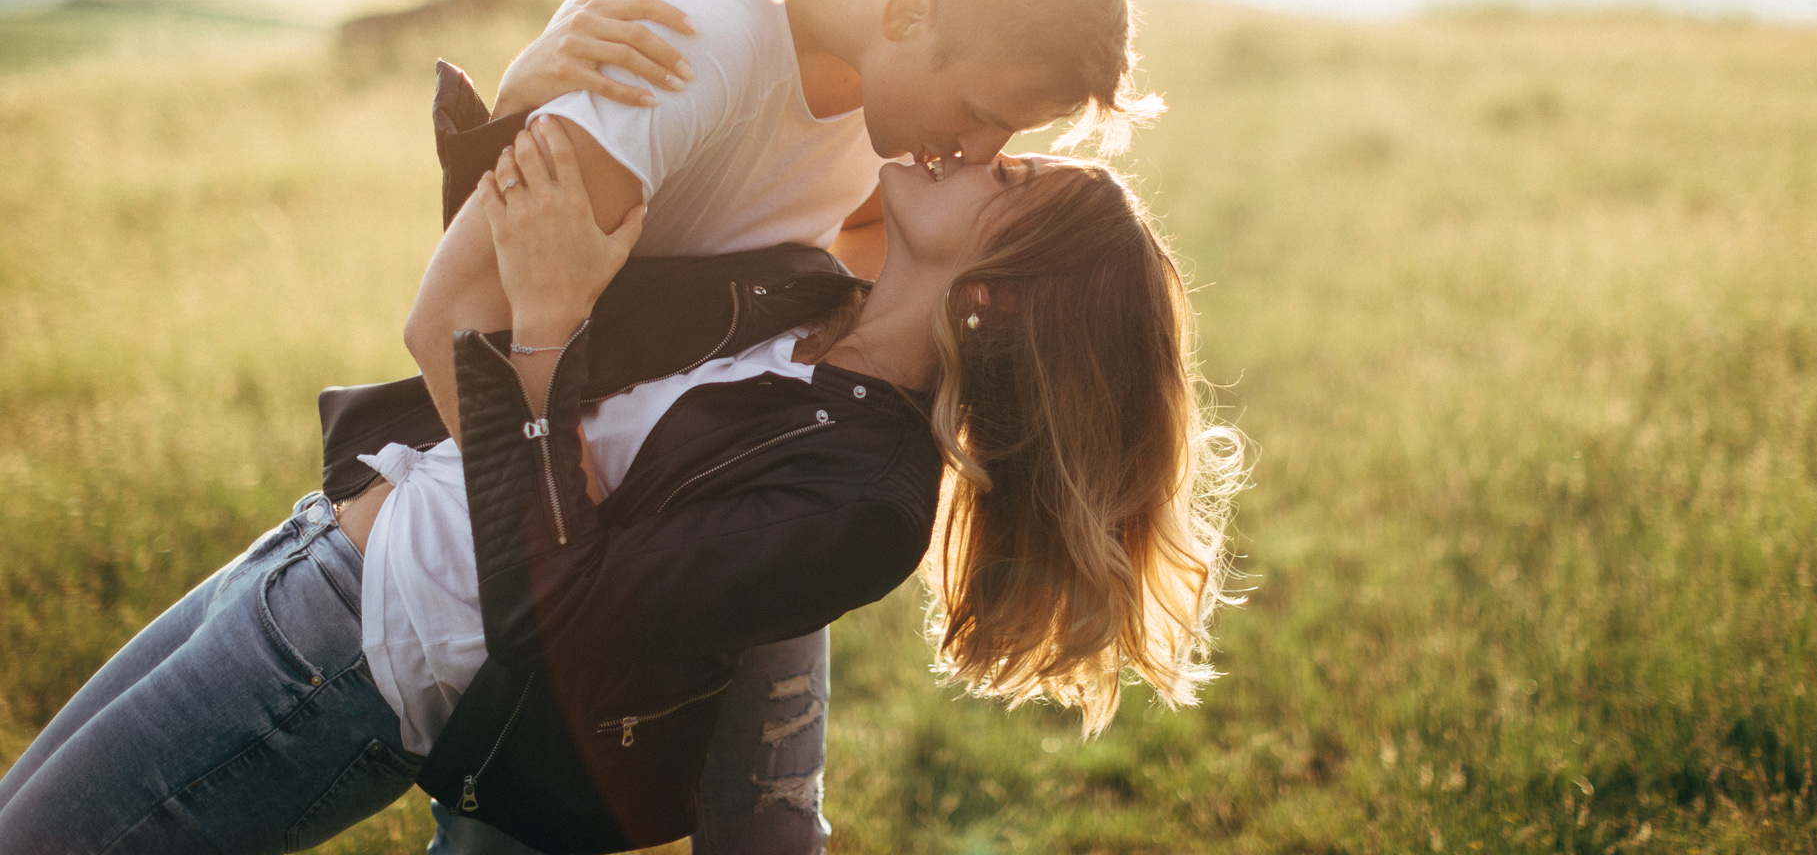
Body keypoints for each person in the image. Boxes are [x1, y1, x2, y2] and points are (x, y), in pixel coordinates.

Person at [0, 109, 1243, 852]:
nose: (980, 148)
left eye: (1009, 179)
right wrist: (545, 116)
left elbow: (561, 609)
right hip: (301, 558)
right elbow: (568, 281)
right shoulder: (804, 292)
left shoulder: (867, 502)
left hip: (351, 671)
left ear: (994, 290)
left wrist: (540, 327)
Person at [403, 0, 1160, 853]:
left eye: (1013, 143)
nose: (978, 149)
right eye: (984, 116)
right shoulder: (711, 39)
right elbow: (465, 318)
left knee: (768, 812)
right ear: (907, 14)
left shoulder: (875, 81)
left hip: (724, 479)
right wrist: (528, 109)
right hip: (661, 496)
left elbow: (830, 246)